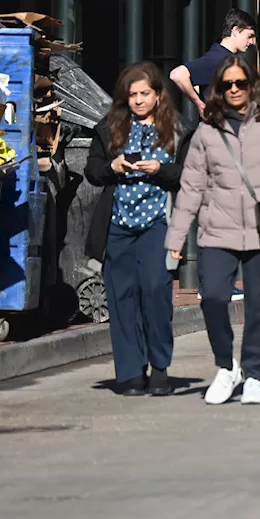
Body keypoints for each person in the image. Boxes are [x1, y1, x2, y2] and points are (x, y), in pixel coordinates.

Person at [164, 55, 260, 405]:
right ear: (218, 89)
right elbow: (192, 187)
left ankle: (255, 375)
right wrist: (176, 238)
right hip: (217, 230)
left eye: (240, 83)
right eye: (227, 84)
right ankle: (227, 366)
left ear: (252, 85)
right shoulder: (207, 132)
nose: (234, 90)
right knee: (212, 297)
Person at [85, 62, 189, 396]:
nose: (139, 100)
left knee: (156, 291)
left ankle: (159, 366)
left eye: (145, 93)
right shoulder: (110, 128)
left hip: (158, 223)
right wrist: (112, 166)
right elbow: (92, 171)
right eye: (133, 95)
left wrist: (161, 169)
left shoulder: (177, 129)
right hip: (119, 225)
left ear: (158, 95)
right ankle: (130, 371)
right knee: (122, 297)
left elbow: (189, 175)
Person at [169, 8, 257, 115]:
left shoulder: (223, 58)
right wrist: (199, 103)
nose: (252, 42)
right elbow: (177, 74)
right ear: (235, 31)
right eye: (250, 36)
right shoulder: (217, 59)